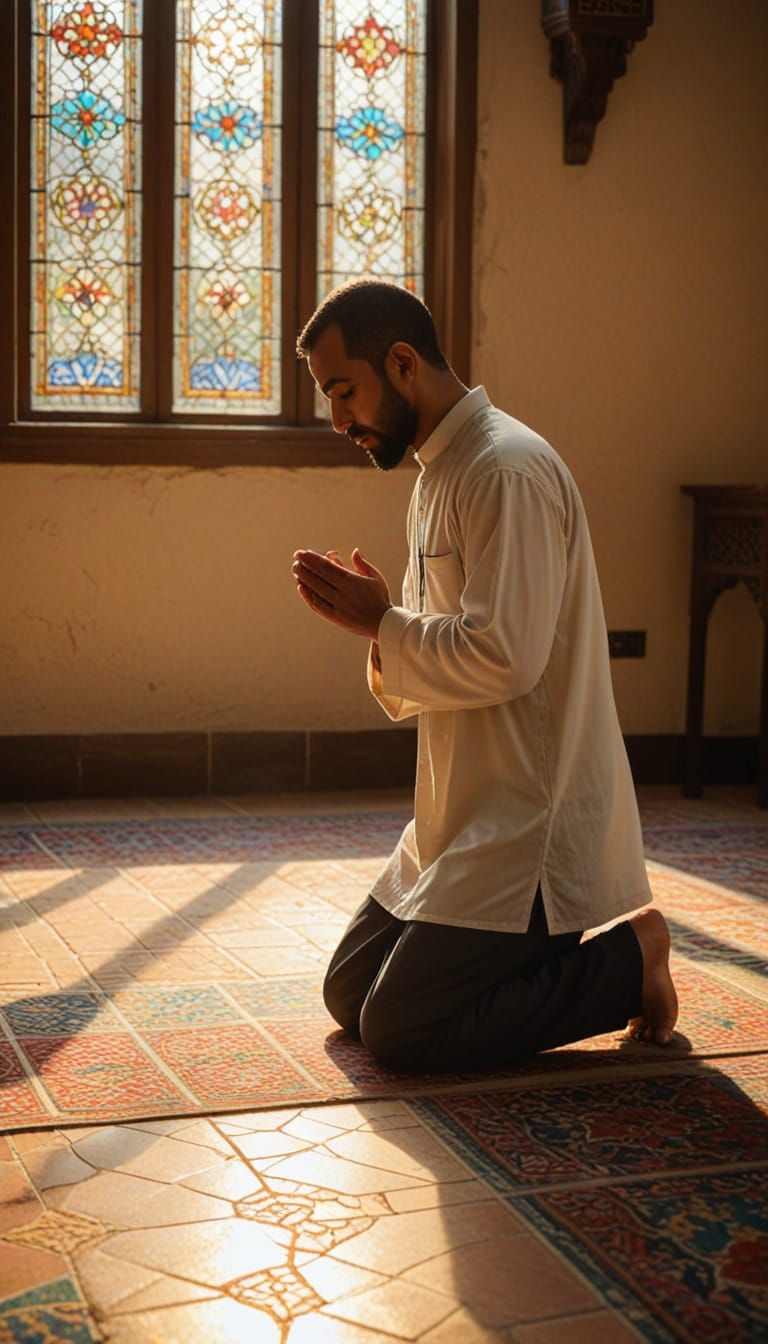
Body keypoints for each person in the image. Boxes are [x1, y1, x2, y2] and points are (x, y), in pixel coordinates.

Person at [292, 278, 678, 1074]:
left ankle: (626, 965)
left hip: (525, 831)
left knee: (401, 1032)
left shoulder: (504, 469)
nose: (339, 421)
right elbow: (447, 649)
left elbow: (506, 656)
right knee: (348, 996)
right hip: (460, 814)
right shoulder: (440, 472)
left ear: (401, 363)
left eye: (344, 392)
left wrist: (384, 624)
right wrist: (383, 627)